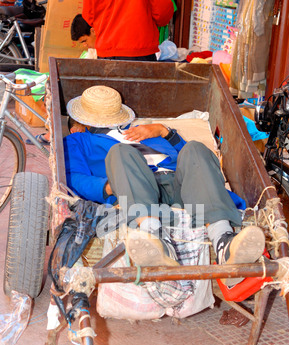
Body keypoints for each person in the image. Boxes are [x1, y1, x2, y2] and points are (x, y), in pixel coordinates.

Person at [63, 85, 266, 285]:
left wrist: (164, 132)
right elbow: (73, 177)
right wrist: (109, 186)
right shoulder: (79, 140)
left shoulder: (143, 131)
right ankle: (158, 245)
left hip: (181, 186)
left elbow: (197, 162)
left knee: (196, 148)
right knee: (119, 152)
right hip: (137, 189)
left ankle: (224, 244)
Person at [81, 0, 175, 61]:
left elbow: (89, 15)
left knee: (109, 91)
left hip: (107, 53)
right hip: (140, 52)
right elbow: (162, 13)